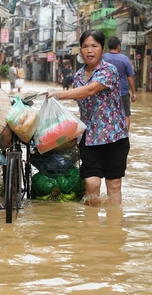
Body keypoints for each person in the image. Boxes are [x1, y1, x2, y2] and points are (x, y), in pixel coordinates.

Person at [47, 30, 129, 206]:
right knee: (91, 184)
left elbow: (90, 90)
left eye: (94, 46)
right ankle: (91, 228)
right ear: (80, 50)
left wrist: (58, 94)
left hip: (114, 137)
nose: (89, 50)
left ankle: (113, 228)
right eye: (85, 46)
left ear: (102, 49)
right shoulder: (77, 77)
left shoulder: (109, 70)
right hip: (90, 137)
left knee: (113, 184)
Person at [103, 36, 137, 128]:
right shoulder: (125, 59)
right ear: (118, 47)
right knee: (125, 115)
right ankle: (125, 137)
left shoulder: (102, 58)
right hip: (123, 92)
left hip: (105, 92)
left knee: (107, 115)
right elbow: (130, 77)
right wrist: (134, 93)